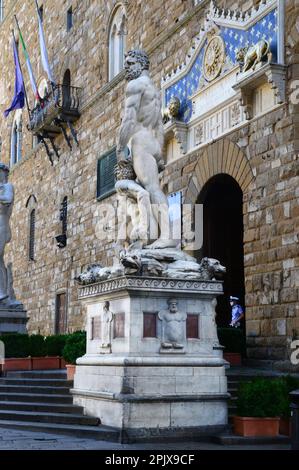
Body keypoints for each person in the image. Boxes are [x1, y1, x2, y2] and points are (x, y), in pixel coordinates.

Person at [116, 49, 176, 249]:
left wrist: (119, 147)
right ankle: (160, 235)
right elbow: (159, 125)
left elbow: (129, 120)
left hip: (140, 141)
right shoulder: (153, 89)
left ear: (141, 64)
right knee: (152, 188)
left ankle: (167, 236)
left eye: (130, 63)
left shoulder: (134, 86)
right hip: (152, 142)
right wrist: (160, 154)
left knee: (151, 188)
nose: (127, 67)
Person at [0, 163, 14, 302]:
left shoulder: (7, 187)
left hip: (2, 224)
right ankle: (3, 292)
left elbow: (8, 199)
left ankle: (2, 292)